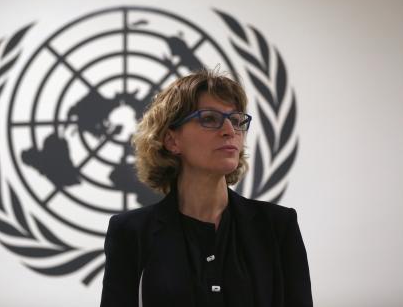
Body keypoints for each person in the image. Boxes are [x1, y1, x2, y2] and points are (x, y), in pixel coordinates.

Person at [100, 69, 312, 307]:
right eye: (209, 119)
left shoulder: (278, 225)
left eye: (236, 120)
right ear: (172, 141)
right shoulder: (130, 233)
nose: (230, 131)